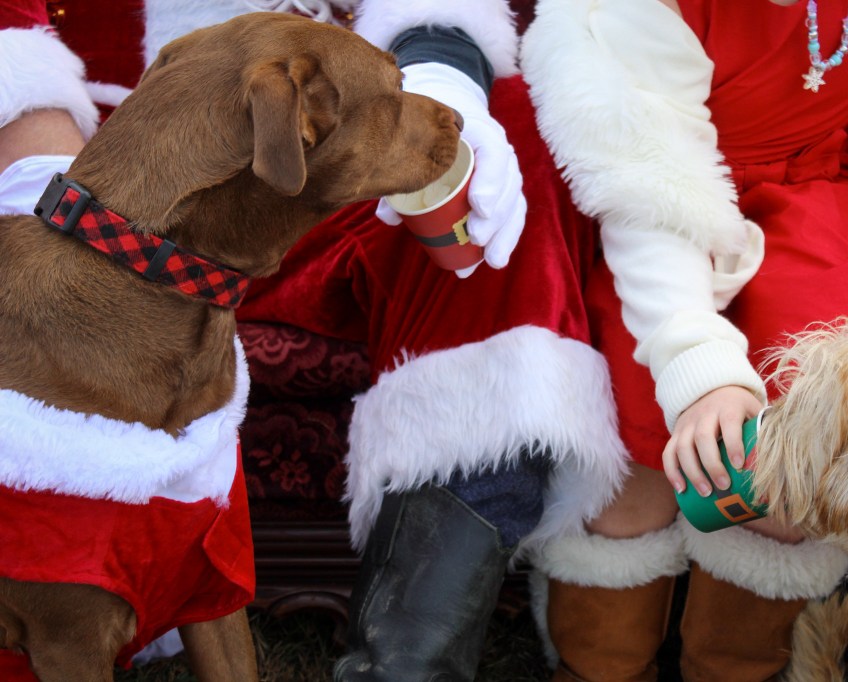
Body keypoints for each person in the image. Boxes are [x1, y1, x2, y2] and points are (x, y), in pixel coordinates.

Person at [0, 1, 629, 680]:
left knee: (505, 165)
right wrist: (55, 184)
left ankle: (406, 662)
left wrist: (444, 74)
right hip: (116, 160)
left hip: (333, 147)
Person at [519, 0, 848, 680]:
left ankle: (734, 665)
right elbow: (646, 190)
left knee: (797, 452)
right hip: (665, 207)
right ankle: (599, 664)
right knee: (636, 446)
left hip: (829, 191)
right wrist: (700, 371)